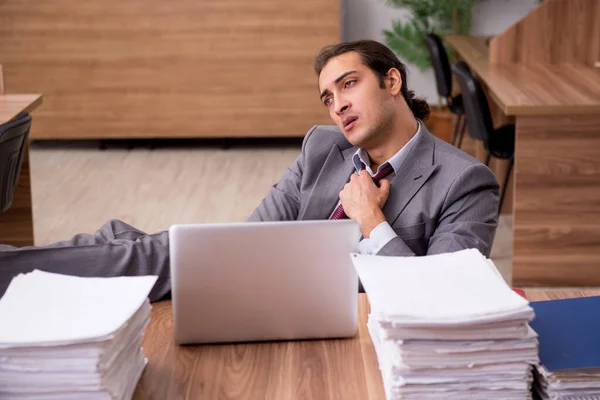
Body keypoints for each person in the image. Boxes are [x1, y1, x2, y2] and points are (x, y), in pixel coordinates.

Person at [0, 40, 499, 302]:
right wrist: (228, 260)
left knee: (139, 254)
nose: (338, 106)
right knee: (126, 243)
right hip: (269, 279)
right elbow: (255, 232)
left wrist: (372, 221)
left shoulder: (464, 180)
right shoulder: (323, 146)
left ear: (392, 80)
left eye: (349, 85)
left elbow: (443, 300)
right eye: (328, 97)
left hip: (344, 307)